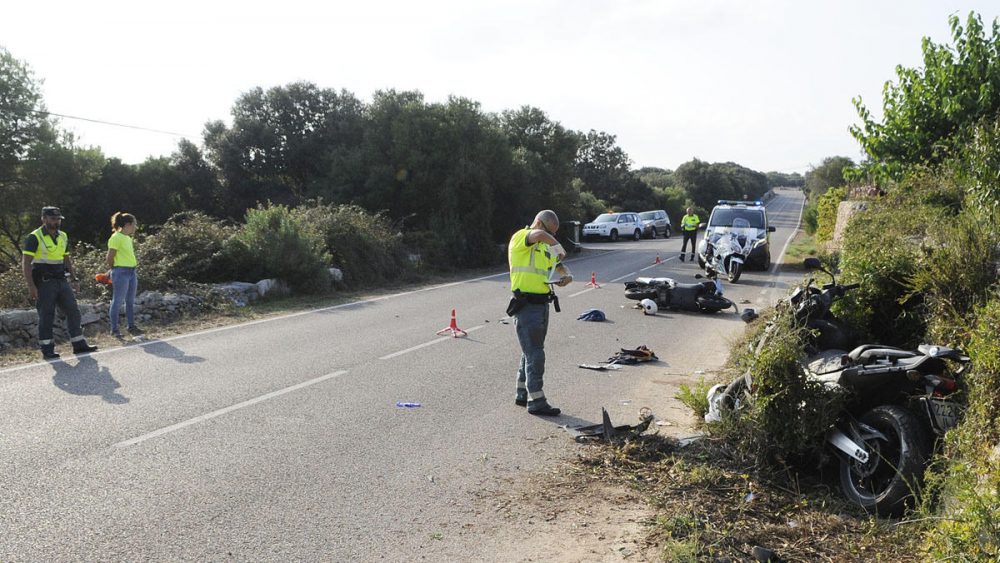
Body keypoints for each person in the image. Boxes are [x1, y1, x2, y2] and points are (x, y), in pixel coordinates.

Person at [507, 210, 571, 417]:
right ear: (538, 223)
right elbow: (540, 235)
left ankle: (522, 393)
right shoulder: (521, 237)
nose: (550, 237)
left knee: (530, 351)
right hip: (526, 305)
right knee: (536, 353)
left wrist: (566, 276)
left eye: (554, 234)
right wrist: (557, 245)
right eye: (549, 232)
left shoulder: (544, 247)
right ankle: (537, 401)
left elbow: (558, 266)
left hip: (542, 305)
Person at [21, 206, 98, 359]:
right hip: (44, 282)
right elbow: (26, 263)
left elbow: (66, 258)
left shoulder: (63, 236)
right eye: (52, 219)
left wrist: (74, 278)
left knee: (73, 311)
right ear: (44, 219)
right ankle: (47, 348)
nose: (56, 222)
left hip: (61, 280)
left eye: (58, 219)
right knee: (47, 315)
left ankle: (79, 344)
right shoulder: (34, 237)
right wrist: (31, 286)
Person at [105, 212, 141, 338]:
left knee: (130, 301)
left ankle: (131, 326)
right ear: (127, 224)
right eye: (134, 225)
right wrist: (114, 269)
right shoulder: (116, 237)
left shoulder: (127, 238)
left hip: (131, 271)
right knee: (117, 301)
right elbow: (110, 257)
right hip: (121, 272)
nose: (135, 227)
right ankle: (114, 329)